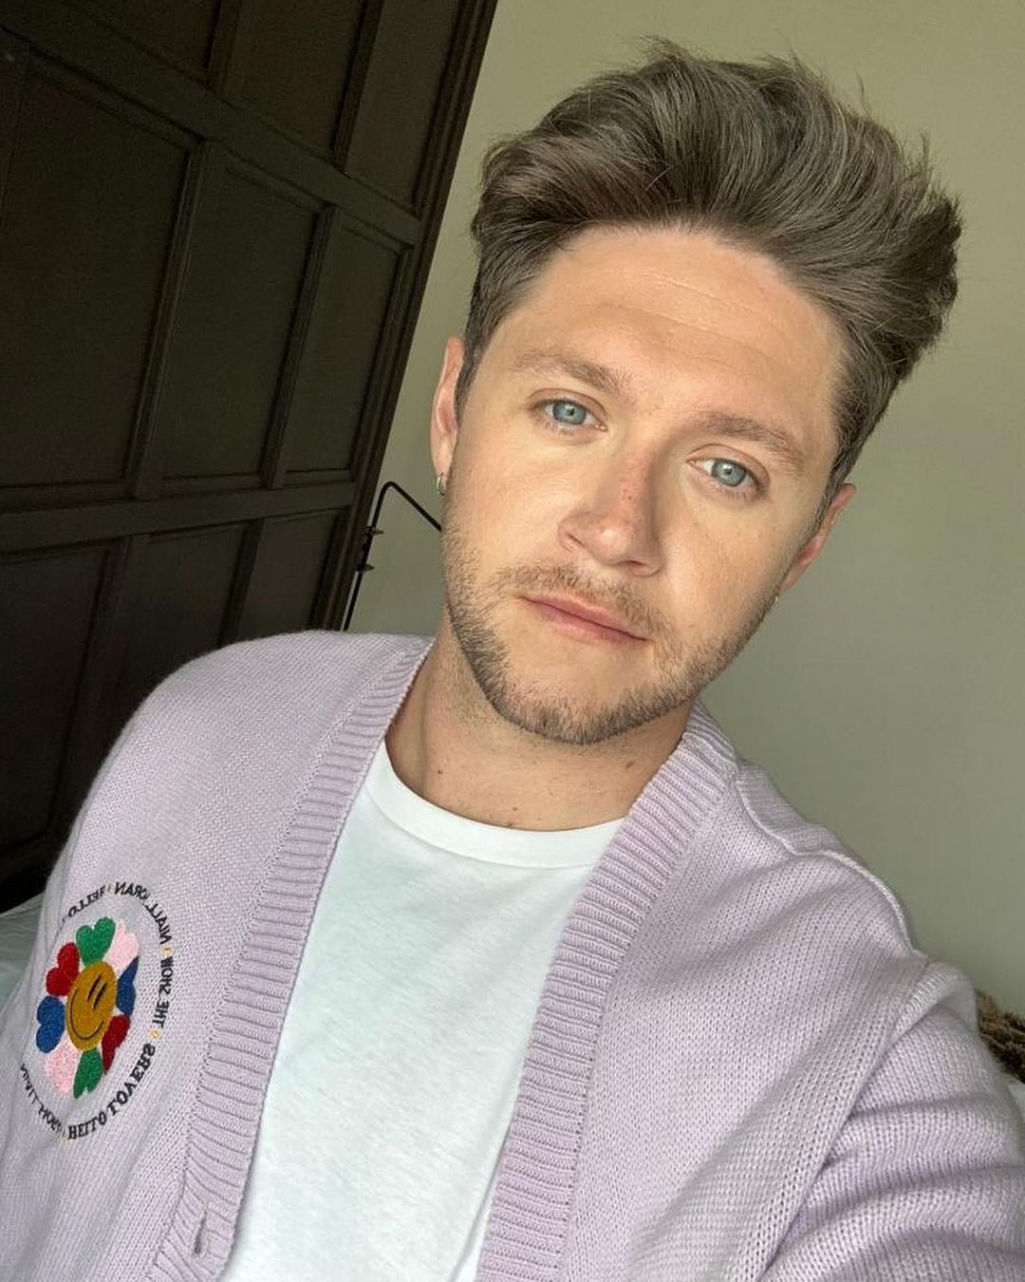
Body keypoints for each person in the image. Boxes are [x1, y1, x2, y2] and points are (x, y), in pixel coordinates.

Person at [1, 40, 1023, 1282]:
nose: (617, 530)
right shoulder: (195, 729)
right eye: (569, 410)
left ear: (805, 541)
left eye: (727, 469)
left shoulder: (865, 1073)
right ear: (451, 411)